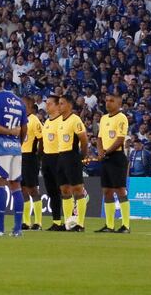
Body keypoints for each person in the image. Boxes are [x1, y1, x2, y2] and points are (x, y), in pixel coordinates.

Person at [0, 75, 26, 236]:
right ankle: (17, 229)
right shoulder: (18, 101)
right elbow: (24, 128)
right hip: (15, 148)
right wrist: (18, 143)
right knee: (16, 186)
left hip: (0, 148)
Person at [96, 93, 131, 233]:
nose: (108, 103)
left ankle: (126, 225)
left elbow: (120, 139)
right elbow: (99, 138)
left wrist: (106, 152)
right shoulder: (104, 118)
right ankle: (109, 225)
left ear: (119, 104)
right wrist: (100, 152)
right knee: (107, 191)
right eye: (106, 101)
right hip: (105, 157)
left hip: (116, 157)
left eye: (111, 101)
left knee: (120, 190)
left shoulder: (121, 118)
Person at [56, 94, 91, 231]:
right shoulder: (60, 121)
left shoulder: (75, 119)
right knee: (64, 190)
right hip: (61, 156)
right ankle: (68, 223)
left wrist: (82, 155)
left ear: (69, 105)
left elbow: (84, 139)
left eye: (62, 103)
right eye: (58, 103)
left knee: (77, 190)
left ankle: (80, 224)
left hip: (72, 156)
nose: (59, 106)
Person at [40, 95, 67, 230]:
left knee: (64, 190)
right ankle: (56, 221)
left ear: (57, 105)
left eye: (50, 104)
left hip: (58, 157)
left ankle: (70, 221)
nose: (47, 106)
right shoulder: (47, 122)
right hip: (47, 158)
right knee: (52, 192)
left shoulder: (61, 121)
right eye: (46, 104)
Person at [19, 95, 45, 231]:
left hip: (30, 157)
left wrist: (37, 155)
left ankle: (38, 222)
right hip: (19, 157)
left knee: (33, 189)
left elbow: (42, 139)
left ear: (29, 105)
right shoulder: (19, 120)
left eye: (22, 103)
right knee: (23, 189)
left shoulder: (35, 121)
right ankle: (26, 221)